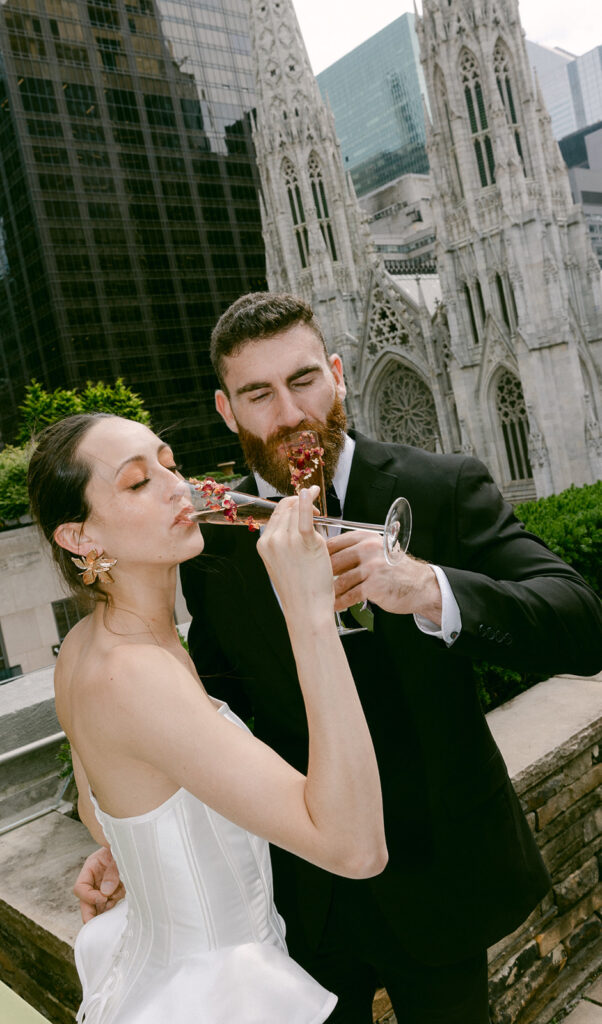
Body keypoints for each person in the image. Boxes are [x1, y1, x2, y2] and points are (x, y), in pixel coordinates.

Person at [76, 293, 602, 1024]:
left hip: (443, 873)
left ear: (337, 374)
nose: (289, 414)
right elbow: (205, 707)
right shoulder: (209, 539)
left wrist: (427, 587)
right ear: (227, 411)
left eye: (302, 381)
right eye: (258, 394)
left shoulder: (442, 485)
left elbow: (582, 624)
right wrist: (137, 852)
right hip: (302, 896)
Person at [27, 411, 388, 1024]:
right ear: (81, 538)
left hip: (161, 973)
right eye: (138, 482)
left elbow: (99, 812)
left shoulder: (85, 646)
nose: (179, 488)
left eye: (169, 464)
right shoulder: (137, 675)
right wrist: (309, 613)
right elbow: (355, 849)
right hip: (221, 995)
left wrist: (138, 853)